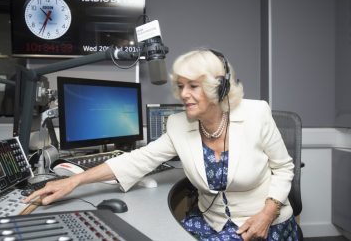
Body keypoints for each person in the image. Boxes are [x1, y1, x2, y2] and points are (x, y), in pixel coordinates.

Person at [23, 49, 298, 240]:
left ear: (219, 87)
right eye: (180, 86)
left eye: (193, 86)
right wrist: (73, 182)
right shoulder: (179, 125)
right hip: (211, 222)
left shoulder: (255, 113)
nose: (184, 95)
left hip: (262, 222)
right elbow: (137, 159)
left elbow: (284, 169)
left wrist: (267, 214)